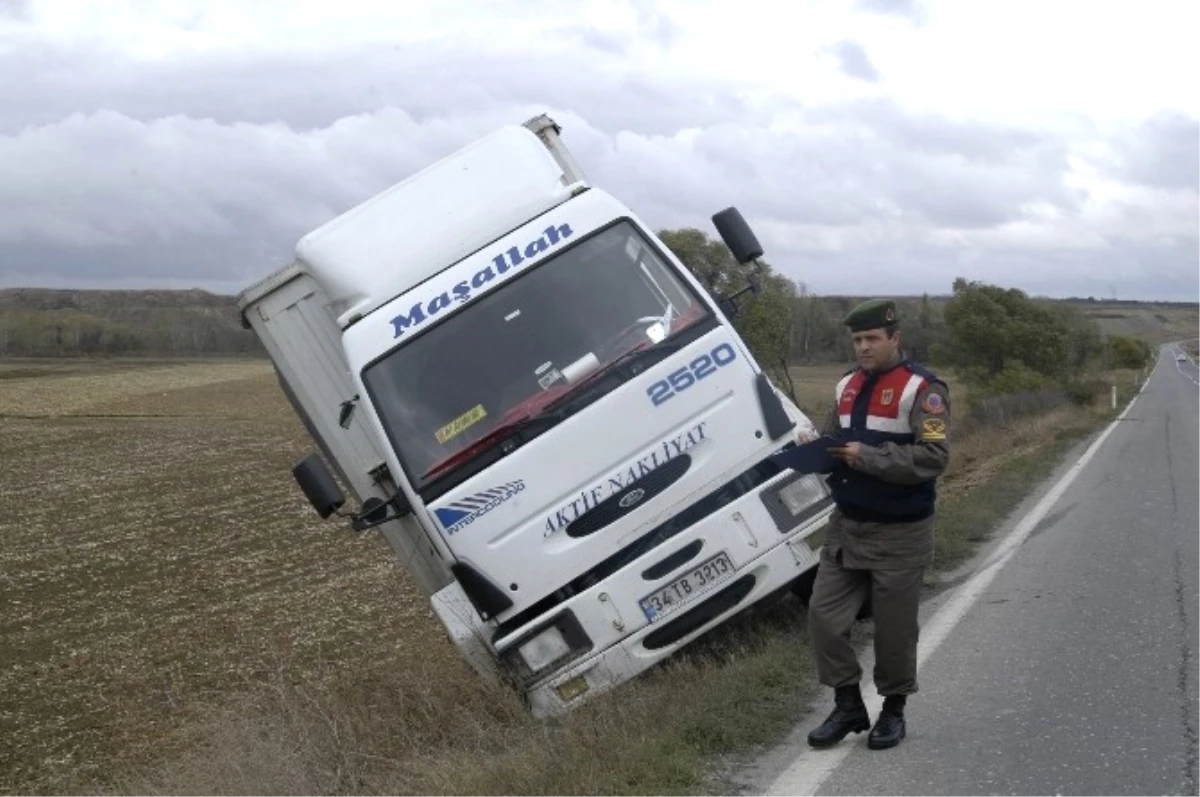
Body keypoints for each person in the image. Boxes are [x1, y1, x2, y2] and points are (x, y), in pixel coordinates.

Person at [803, 298, 951, 751]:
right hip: (847, 526)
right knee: (823, 619)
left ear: (894, 338)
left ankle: (893, 711)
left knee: (894, 632)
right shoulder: (846, 384)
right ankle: (848, 705)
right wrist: (813, 447)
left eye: (871, 339)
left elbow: (933, 457)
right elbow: (836, 442)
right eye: (857, 340)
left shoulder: (924, 389)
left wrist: (865, 456)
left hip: (901, 530)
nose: (863, 348)